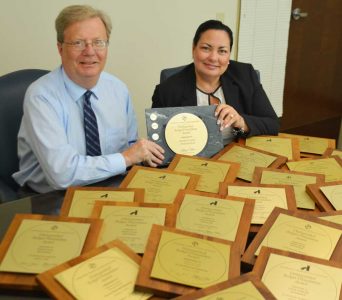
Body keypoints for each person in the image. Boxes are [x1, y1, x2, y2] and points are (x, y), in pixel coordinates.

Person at [13, 5, 164, 193]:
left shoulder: (118, 89)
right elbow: (62, 174)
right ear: (60, 48)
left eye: (98, 42)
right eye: (78, 43)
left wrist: (148, 153)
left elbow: (130, 146)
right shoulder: (41, 96)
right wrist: (126, 158)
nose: (90, 51)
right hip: (51, 197)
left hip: (111, 189)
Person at [152, 20, 279, 145]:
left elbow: (272, 124)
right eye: (206, 48)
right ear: (193, 49)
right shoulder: (167, 90)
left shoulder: (245, 75)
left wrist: (241, 122)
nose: (213, 58)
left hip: (237, 153)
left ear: (229, 55)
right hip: (190, 159)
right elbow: (159, 144)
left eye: (222, 51)